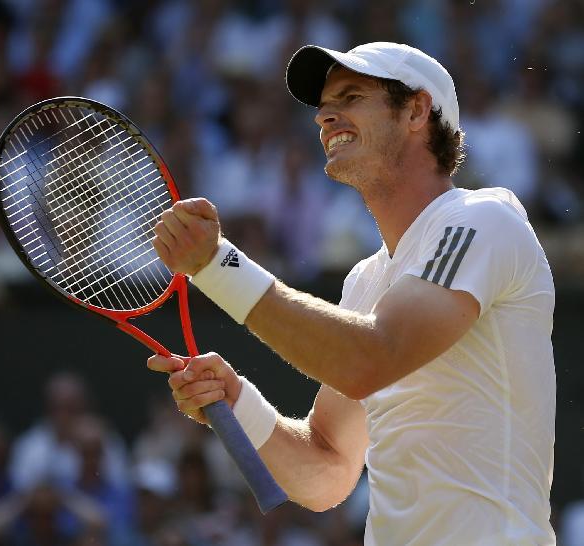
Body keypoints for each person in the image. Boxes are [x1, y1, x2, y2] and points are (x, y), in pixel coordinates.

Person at [147, 42, 555, 545]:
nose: (324, 115)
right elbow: (328, 473)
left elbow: (373, 357)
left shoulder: (483, 220)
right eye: (324, 104)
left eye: (352, 95)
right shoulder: (366, 281)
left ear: (416, 110)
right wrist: (237, 401)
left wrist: (217, 266)